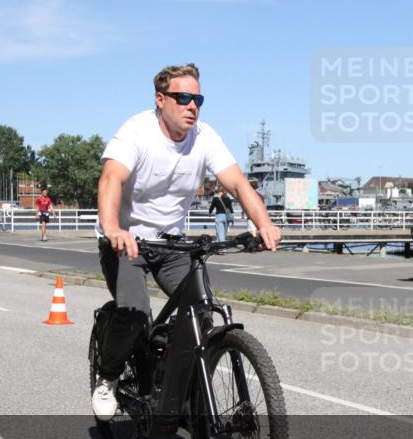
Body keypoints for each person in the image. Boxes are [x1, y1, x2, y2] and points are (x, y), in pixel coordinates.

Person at [92, 63, 281, 420]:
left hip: (171, 245)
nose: (192, 105)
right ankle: (108, 376)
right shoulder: (137, 131)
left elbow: (239, 183)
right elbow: (110, 179)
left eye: (198, 99)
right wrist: (113, 228)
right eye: (182, 98)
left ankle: (181, 388)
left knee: (202, 316)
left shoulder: (205, 137)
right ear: (160, 100)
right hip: (126, 243)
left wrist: (264, 224)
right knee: (133, 314)